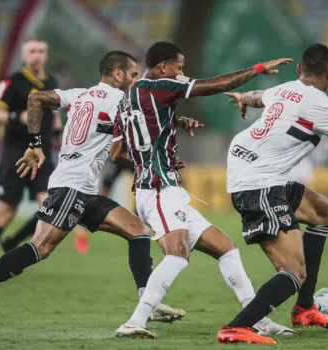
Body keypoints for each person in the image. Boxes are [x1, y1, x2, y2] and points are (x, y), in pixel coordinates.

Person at [0, 51, 162, 324]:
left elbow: (36, 98)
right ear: (118, 75)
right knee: (41, 247)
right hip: (71, 187)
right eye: (133, 75)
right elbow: (118, 152)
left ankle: (148, 305)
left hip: (85, 189)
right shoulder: (121, 100)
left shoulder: (78, 94)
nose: (135, 80)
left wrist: (34, 145)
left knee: (139, 231)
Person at [112, 41, 295, 339]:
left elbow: (117, 151)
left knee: (226, 249)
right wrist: (258, 69)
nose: (182, 74)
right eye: (179, 68)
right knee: (177, 255)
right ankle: (135, 321)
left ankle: (258, 320)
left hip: (164, 186)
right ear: (162, 67)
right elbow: (213, 86)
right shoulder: (159, 86)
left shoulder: (129, 97)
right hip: (157, 189)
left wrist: (172, 125)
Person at [216, 43, 328, 344]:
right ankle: (236, 327)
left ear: (300, 69)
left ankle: (304, 308)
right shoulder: (326, 107)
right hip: (257, 181)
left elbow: (255, 96)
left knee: (321, 211)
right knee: (293, 271)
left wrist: (242, 98)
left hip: (253, 167)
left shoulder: (284, 89)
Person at [0, 37, 61, 280]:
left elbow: (55, 117)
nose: (37, 55)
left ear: (46, 54)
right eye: (32, 50)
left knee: (50, 205)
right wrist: (16, 117)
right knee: (6, 213)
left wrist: (59, 133)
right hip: (16, 155)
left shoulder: (51, 82)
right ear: (24, 54)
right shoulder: (13, 82)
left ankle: (12, 241)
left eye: (41, 50)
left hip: (42, 155)